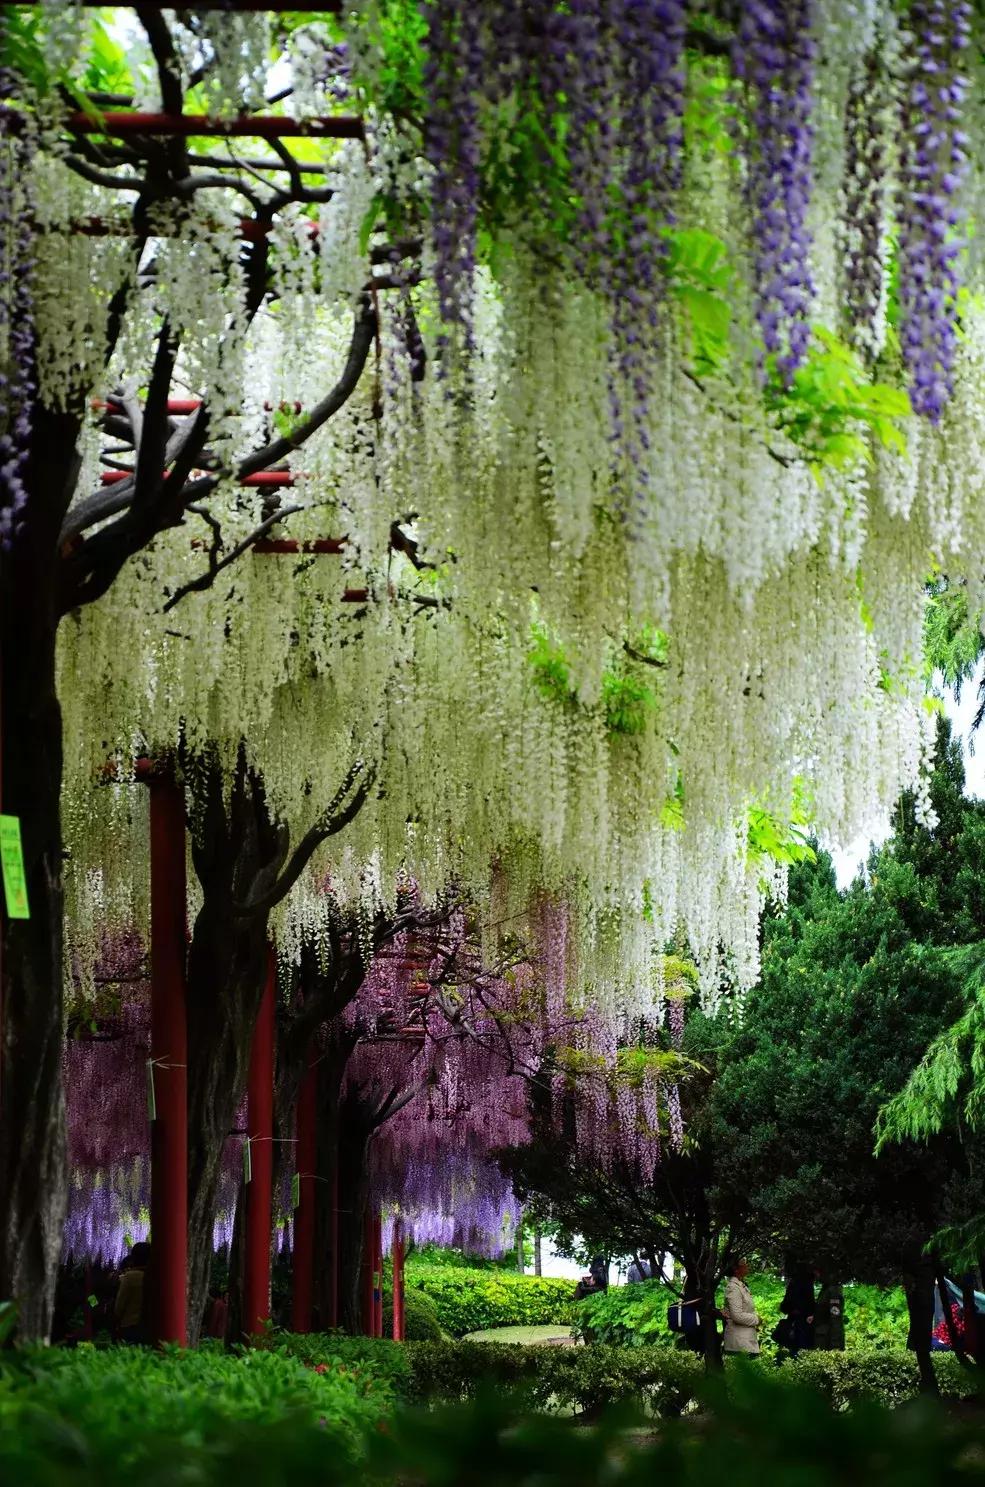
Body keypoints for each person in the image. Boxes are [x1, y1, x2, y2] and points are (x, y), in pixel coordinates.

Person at [722, 1258, 761, 1356]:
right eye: (744, 1264)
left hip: (745, 1341)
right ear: (736, 1270)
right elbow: (737, 1316)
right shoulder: (733, 1288)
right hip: (739, 1343)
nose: (747, 1266)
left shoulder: (741, 1286)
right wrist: (757, 1320)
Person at [113, 1241, 149, 1344]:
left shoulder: (129, 1277)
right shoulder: (157, 1276)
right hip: (150, 1327)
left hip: (130, 1326)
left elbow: (119, 1307)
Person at [779, 1261, 816, 1355]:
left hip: (797, 1320)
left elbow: (786, 1304)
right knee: (802, 1348)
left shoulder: (795, 1281)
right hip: (803, 1321)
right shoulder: (805, 1282)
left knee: (796, 1349)